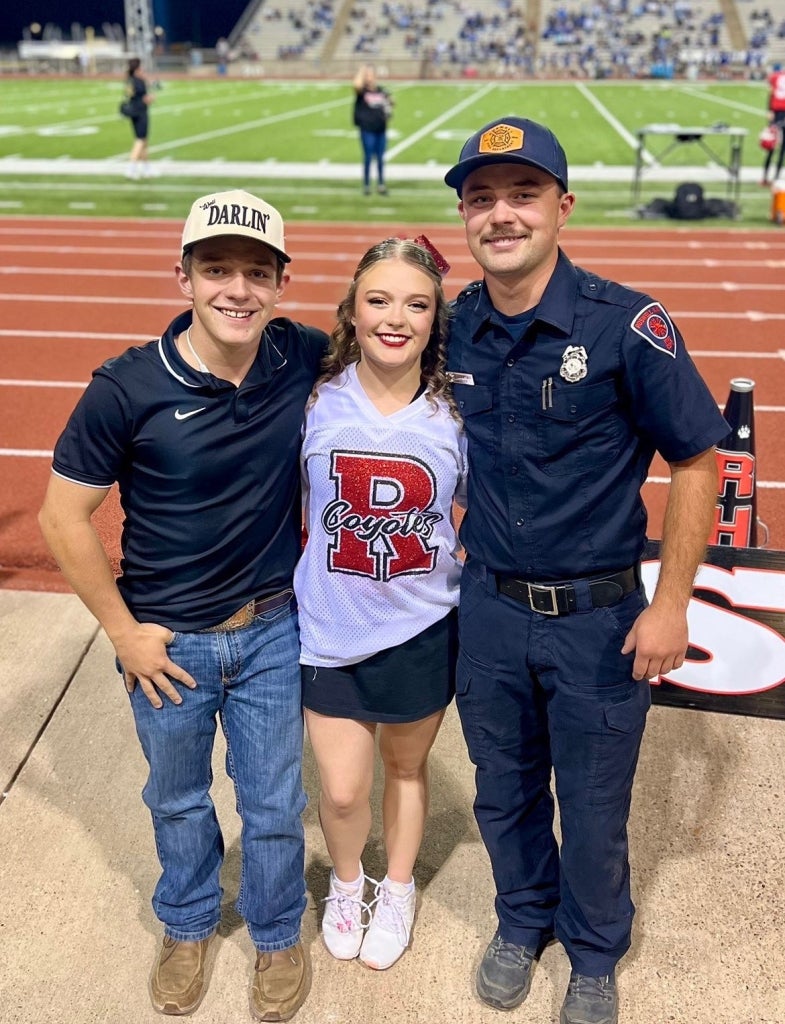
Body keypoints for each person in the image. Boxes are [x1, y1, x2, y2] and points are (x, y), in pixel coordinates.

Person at [443, 117, 729, 1024]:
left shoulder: (625, 324)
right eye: (480, 198)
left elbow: (696, 460)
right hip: (486, 608)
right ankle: (521, 920)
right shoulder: (452, 325)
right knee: (502, 787)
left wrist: (673, 603)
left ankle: (596, 950)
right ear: (463, 217)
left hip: (598, 618)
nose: (501, 215)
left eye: (521, 194)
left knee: (596, 803)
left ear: (562, 207)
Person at [38, 189, 329, 1021]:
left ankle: (277, 934)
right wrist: (124, 633)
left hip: (271, 629)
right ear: (184, 278)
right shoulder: (126, 387)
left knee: (274, 804)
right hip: (167, 646)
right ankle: (189, 923)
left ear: (279, 284)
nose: (236, 290)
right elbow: (62, 517)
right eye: (216, 271)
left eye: (255, 273)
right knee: (176, 798)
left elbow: (397, 336)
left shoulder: (299, 355)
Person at [294, 237, 466, 971]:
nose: (396, 317)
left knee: (404, 770)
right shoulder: (311, 401)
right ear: (352, 312)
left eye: (416, 304)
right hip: (328, 624)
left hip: (421, 623)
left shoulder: (456, 414)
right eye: (379, 299)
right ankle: (346, 881)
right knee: (337, 790)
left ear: (434, 320)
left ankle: (396, 889)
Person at [352, 65, 393, 196]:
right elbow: (356, 85)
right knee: (368, 157)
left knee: (381, 158)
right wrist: (362, 71)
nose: (369, 78)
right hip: (367, 129)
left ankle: (381, 184)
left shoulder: (381, 90)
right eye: (367, 75)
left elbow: (391, 102)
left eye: (371, 75)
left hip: (380, 129)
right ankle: (367, 185)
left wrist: (389, 103)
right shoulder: (362, 91)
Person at [123, 57, 155, 180]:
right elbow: (145, 99)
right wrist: (151, 97)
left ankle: (147, 168)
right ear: (138, 68)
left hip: (133, 112)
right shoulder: (138, 81)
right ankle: (131, 168)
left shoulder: (130, 80)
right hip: (141, 112)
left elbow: (129, 95)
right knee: (140, 141)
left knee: (144, 141)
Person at [762, 61, 785, 186]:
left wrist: (769, 110)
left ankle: (768, 176)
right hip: (778, 111)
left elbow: (771, 92)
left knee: (772, 145)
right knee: (780, 147)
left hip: (776, 112)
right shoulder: (777, 77)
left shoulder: (776, 76)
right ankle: (774, 176)